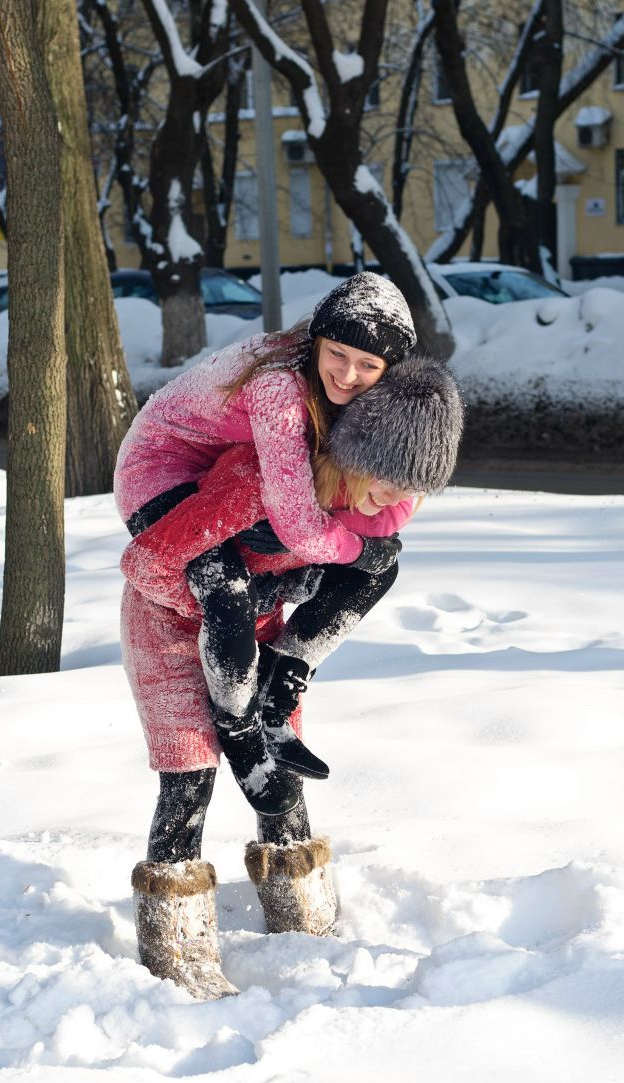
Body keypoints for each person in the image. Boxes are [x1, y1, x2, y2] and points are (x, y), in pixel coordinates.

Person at [116, 338, 465, 999]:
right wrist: (226, 591)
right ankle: (175, 939)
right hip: (168, 626)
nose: (395, 500)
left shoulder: (365, 511)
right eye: (388, 481)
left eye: (411, 489)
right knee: (191, 776)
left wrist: (284, 655)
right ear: (350, 455)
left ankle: (300, 912)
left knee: (283, 779)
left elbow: (357, 578)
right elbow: (148, 564)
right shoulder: (261, 483)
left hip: (253, 641)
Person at [115, 273, 418, 820]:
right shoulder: (281, 388)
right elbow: (298, 522)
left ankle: (284, 675)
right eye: (337, 354)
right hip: (163, 474)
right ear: (317, 342)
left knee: (379, 564)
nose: (348, 375)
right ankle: (241, 736)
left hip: (228, 482)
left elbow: (398, 494)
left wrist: (372, 548)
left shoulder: (375, 397)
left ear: (390, 370)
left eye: (368, 366)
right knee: (227, 590)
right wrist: (353, 550)